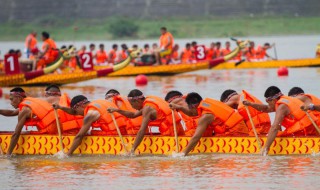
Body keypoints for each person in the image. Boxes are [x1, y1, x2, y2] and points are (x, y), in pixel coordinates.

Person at [243, 86, 318, 155]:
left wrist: (265, 148)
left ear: (273, 100)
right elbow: (266, 109)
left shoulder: (282, 107)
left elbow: (275, 127)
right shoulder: (287, 100)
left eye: (269, 103)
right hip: (312, 129)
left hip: (305, 131)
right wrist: (251, 104)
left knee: (277, 134)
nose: (269, 106)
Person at [107, 89, 184, 155]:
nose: (133, 107)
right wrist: (117, 110)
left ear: (137, 101)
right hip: (178, 128)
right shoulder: (149, 102)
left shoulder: (147, 108)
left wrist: (132, 150)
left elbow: (142, 131)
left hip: (171, 133)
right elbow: (133, 115)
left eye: (132, 104)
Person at [170, 92, 248, 156]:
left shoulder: (206, 116)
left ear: (194, 106)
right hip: (242, 129)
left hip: (236, 134)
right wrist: (179, 107)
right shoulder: (206, 103)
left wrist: (183, 153)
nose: (190, 113)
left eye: (189, 108)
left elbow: (196, 137)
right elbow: (192, 113)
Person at [54, 95, 127, 156]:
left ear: (80, 106)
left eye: (76, 111)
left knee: (86, 133)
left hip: (112, 138)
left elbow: (79, 136)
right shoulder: (100, 103)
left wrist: (68, 154)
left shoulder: (90, 114)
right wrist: (60, 107)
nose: (78, 114)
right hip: (123, 133)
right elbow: (73, 112)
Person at [6, 87, 58, 156]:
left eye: (12, 99)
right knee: (25, 132)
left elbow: (16, 134)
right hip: (57, 128)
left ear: (18, 97)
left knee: (22, 133)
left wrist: (8, 154)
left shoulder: (24, 110)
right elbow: (12, 113)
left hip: (51, 131)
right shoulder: (30, 104)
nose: (11, 102)